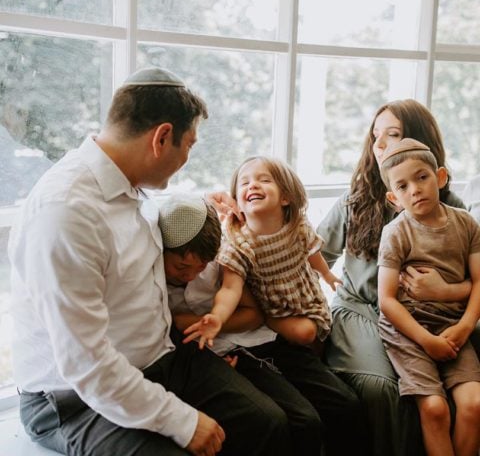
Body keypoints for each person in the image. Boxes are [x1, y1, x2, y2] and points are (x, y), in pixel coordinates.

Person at [8, 67, 293, 456]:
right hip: (73, 397)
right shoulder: (67, 211)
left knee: (268, 423)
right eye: (189, 145)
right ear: (161, 138)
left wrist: (217, 212)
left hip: (160, 358)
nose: (187, 159)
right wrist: (182, 420)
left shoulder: (132, 188)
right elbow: (85, 362)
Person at [316, 98, 480, 456]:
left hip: (437, 313)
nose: (381, 145)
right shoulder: (355, 200)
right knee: (384, 387)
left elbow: (475, 283)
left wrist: (445, 290)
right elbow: (310, 252)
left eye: (393, 134)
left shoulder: (452, 208)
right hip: (362, 309)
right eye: (376, 136)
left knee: (464, 393)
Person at [160, 193, 368, 456]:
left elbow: (253, 315)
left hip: (260, 337)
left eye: (201, 266)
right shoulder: (154, 281)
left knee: (345, 403)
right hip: (224, 356)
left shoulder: (215, 259)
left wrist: (209, 322)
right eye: (182, 268)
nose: (192, 274)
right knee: (301, 420)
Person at [377, 137, 480, 456]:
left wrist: (464, 327)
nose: (415, 190)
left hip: (454, 327)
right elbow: (387, 300)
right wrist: (425, 339)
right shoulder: (396, 233)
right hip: (409, 331)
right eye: (403, 186)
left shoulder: (465, 223)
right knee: (435, 408)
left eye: (422, 178)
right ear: (394, 197)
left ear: (440, 177)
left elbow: (479, 280)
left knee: (474, 405)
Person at [184, 155, 341, 351]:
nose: (252, 186)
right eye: (244, 183)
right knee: (306, 334)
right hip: (273, 309)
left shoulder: (296, 226)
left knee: (320, 342)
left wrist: (326, 275)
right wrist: (217, 316)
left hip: (307, 298)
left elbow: (312, 253)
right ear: (237, 203)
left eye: (264, 180)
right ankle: (267, 321)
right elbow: (230, 289)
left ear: (285, 197)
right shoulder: (238, 245)